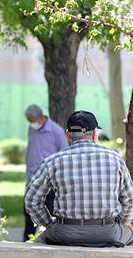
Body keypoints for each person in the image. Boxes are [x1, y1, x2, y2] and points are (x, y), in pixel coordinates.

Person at [25, 111, 133, 247]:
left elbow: (31, 200)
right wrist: (122, 222)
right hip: (108, 232)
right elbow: (129, 199)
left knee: (39, 242)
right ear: (94, 134)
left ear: (67, 135)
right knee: (129, 231)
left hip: (64, 233)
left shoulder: (52, 161)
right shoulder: (115, 159)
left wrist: (48, 224)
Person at [23, 104, 68, 241]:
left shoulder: (57, 131)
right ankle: (27, 241)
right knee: (28, 213)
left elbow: (64, 155)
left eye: (33, 120)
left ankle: (48, 240)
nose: (32, 124)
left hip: (49, 182)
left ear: (41, 117)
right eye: (30, 121)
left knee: (46, 212)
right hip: (31, 179)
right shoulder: (32, 129)